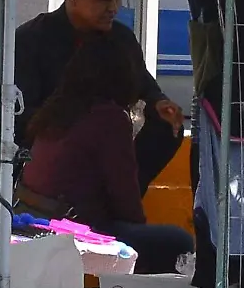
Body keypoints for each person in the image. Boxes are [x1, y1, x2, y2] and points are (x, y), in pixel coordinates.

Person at [19, 33, 194, 272]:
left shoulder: (59, 107)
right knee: (179, 242)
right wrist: (137, 235)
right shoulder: (109, 118)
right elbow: (125, 198)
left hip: (32, 217)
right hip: (72, 229)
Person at [14, 0, 183, 191]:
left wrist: (159, 102)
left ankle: (125, 194)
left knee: (168, 125)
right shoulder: (31, 39)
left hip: (108, 148)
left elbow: (143, 83)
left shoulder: (121, 38)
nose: (114, 8)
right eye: (104, 0)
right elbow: (21, 115)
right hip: (54, 154)